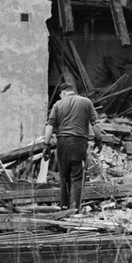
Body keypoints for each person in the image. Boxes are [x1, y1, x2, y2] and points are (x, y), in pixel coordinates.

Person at [42, 82, 104, 210]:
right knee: (77, 178)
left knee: (64, 178)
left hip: (63, 142)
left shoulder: (58, 104)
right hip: (79, 143)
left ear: (63, 93)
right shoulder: (86, 102)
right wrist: (99, 140)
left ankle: (64, 208)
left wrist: (46, 145)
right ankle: (75, 210)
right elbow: (96, 125)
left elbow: (50, 126)